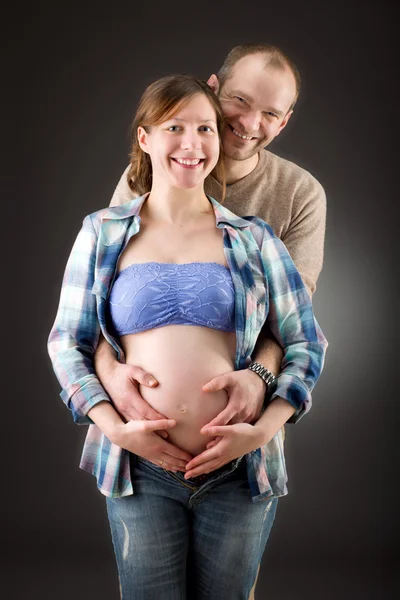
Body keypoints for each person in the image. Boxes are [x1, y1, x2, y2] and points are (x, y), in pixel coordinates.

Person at [48, 74, 327, 599]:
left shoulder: (253, 238)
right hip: (139, 467)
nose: (192, 143)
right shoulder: (103, 231)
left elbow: (306, 341)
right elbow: (67, 342)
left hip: (240, 470)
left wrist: (264, 429)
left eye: (205, 128)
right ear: (145, 138)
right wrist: (115, 427)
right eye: (175, 126)